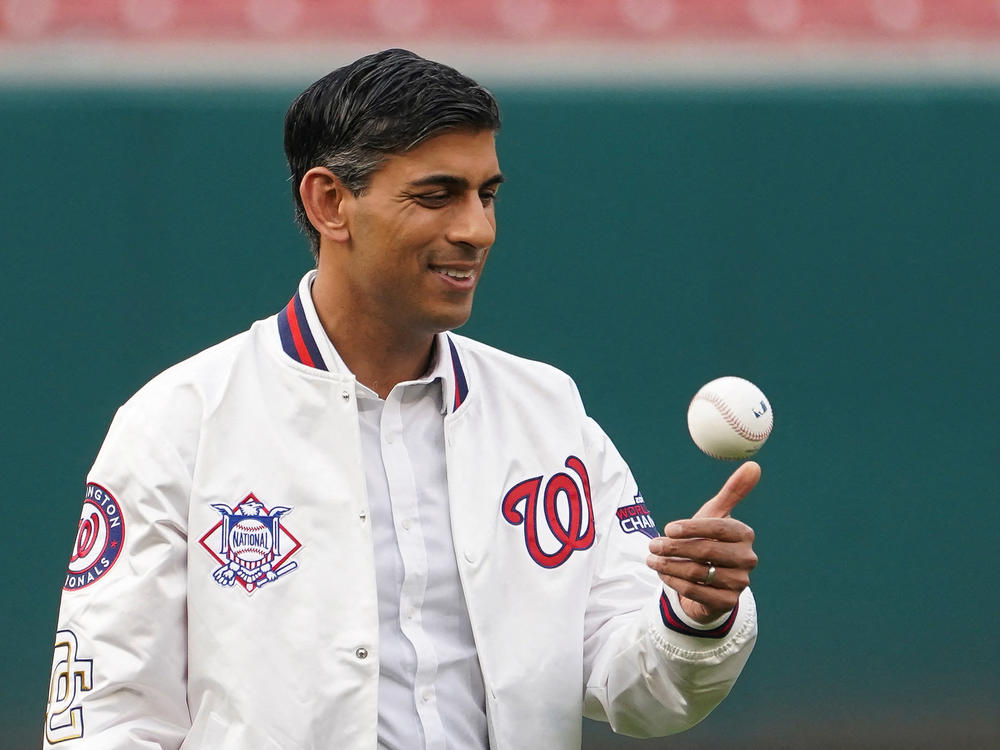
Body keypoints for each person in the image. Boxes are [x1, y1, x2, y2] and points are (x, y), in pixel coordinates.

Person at [44, 48, 759, 749]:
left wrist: (692, 614)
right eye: (436, 194)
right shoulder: (180, 421)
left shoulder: (547, 413)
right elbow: (106, 716)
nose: (476, 229)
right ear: (330, 203)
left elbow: (633, 685)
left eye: (488, 194)